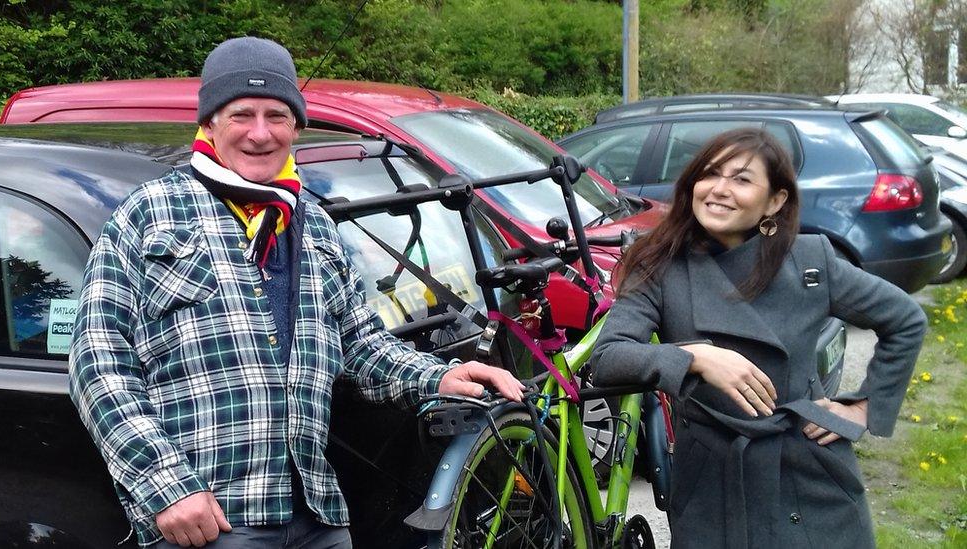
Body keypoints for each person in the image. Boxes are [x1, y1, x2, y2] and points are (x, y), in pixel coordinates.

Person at [68, 36, 524, 549]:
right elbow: (97, 363)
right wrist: (164, 487)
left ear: (296, 127)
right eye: (242, 114)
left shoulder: (314, 225)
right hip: (211, 520)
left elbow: (361, 345)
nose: (260, 134)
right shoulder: (147, 214)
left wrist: (440, 376)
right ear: (210, 123)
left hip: (317, 514)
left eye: (277, 116)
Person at [592, 128, 926, 549]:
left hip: (808, 471)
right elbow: (609, 358)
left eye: (742, 179)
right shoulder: (660, 265)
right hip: (711, 481)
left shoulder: (811, 261)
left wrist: (864, 406)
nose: (719, 189)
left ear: (776, 201)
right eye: (710, 174)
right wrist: (695, 357)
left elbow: (905, 320)